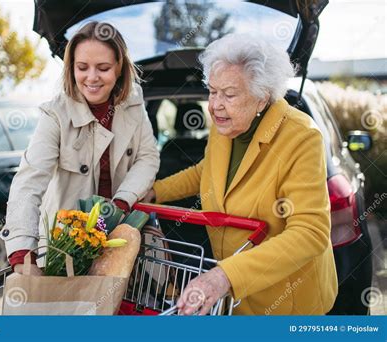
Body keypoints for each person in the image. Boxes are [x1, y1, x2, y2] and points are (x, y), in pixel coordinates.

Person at [144, 33, 338, 315]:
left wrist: (225, 276)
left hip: (286, 300)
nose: (215, 105)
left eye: (230, 94)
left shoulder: (301, 137)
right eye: (212, 91)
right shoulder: (225, 125)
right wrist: (155, 192)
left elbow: (310, 233)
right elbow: (206, 172)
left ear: (262, 98)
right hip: (236, 297)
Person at [0, 21, 159, 275]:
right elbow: (29, 182)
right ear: (70, 68)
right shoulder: (55, 114)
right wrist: (21, 254)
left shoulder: (133, 102)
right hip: (66, 245)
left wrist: (122, 201)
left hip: (120, 238)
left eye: (104, 68)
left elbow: (148, 157)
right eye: (82, 67)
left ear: (119, 68)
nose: (92, 77)